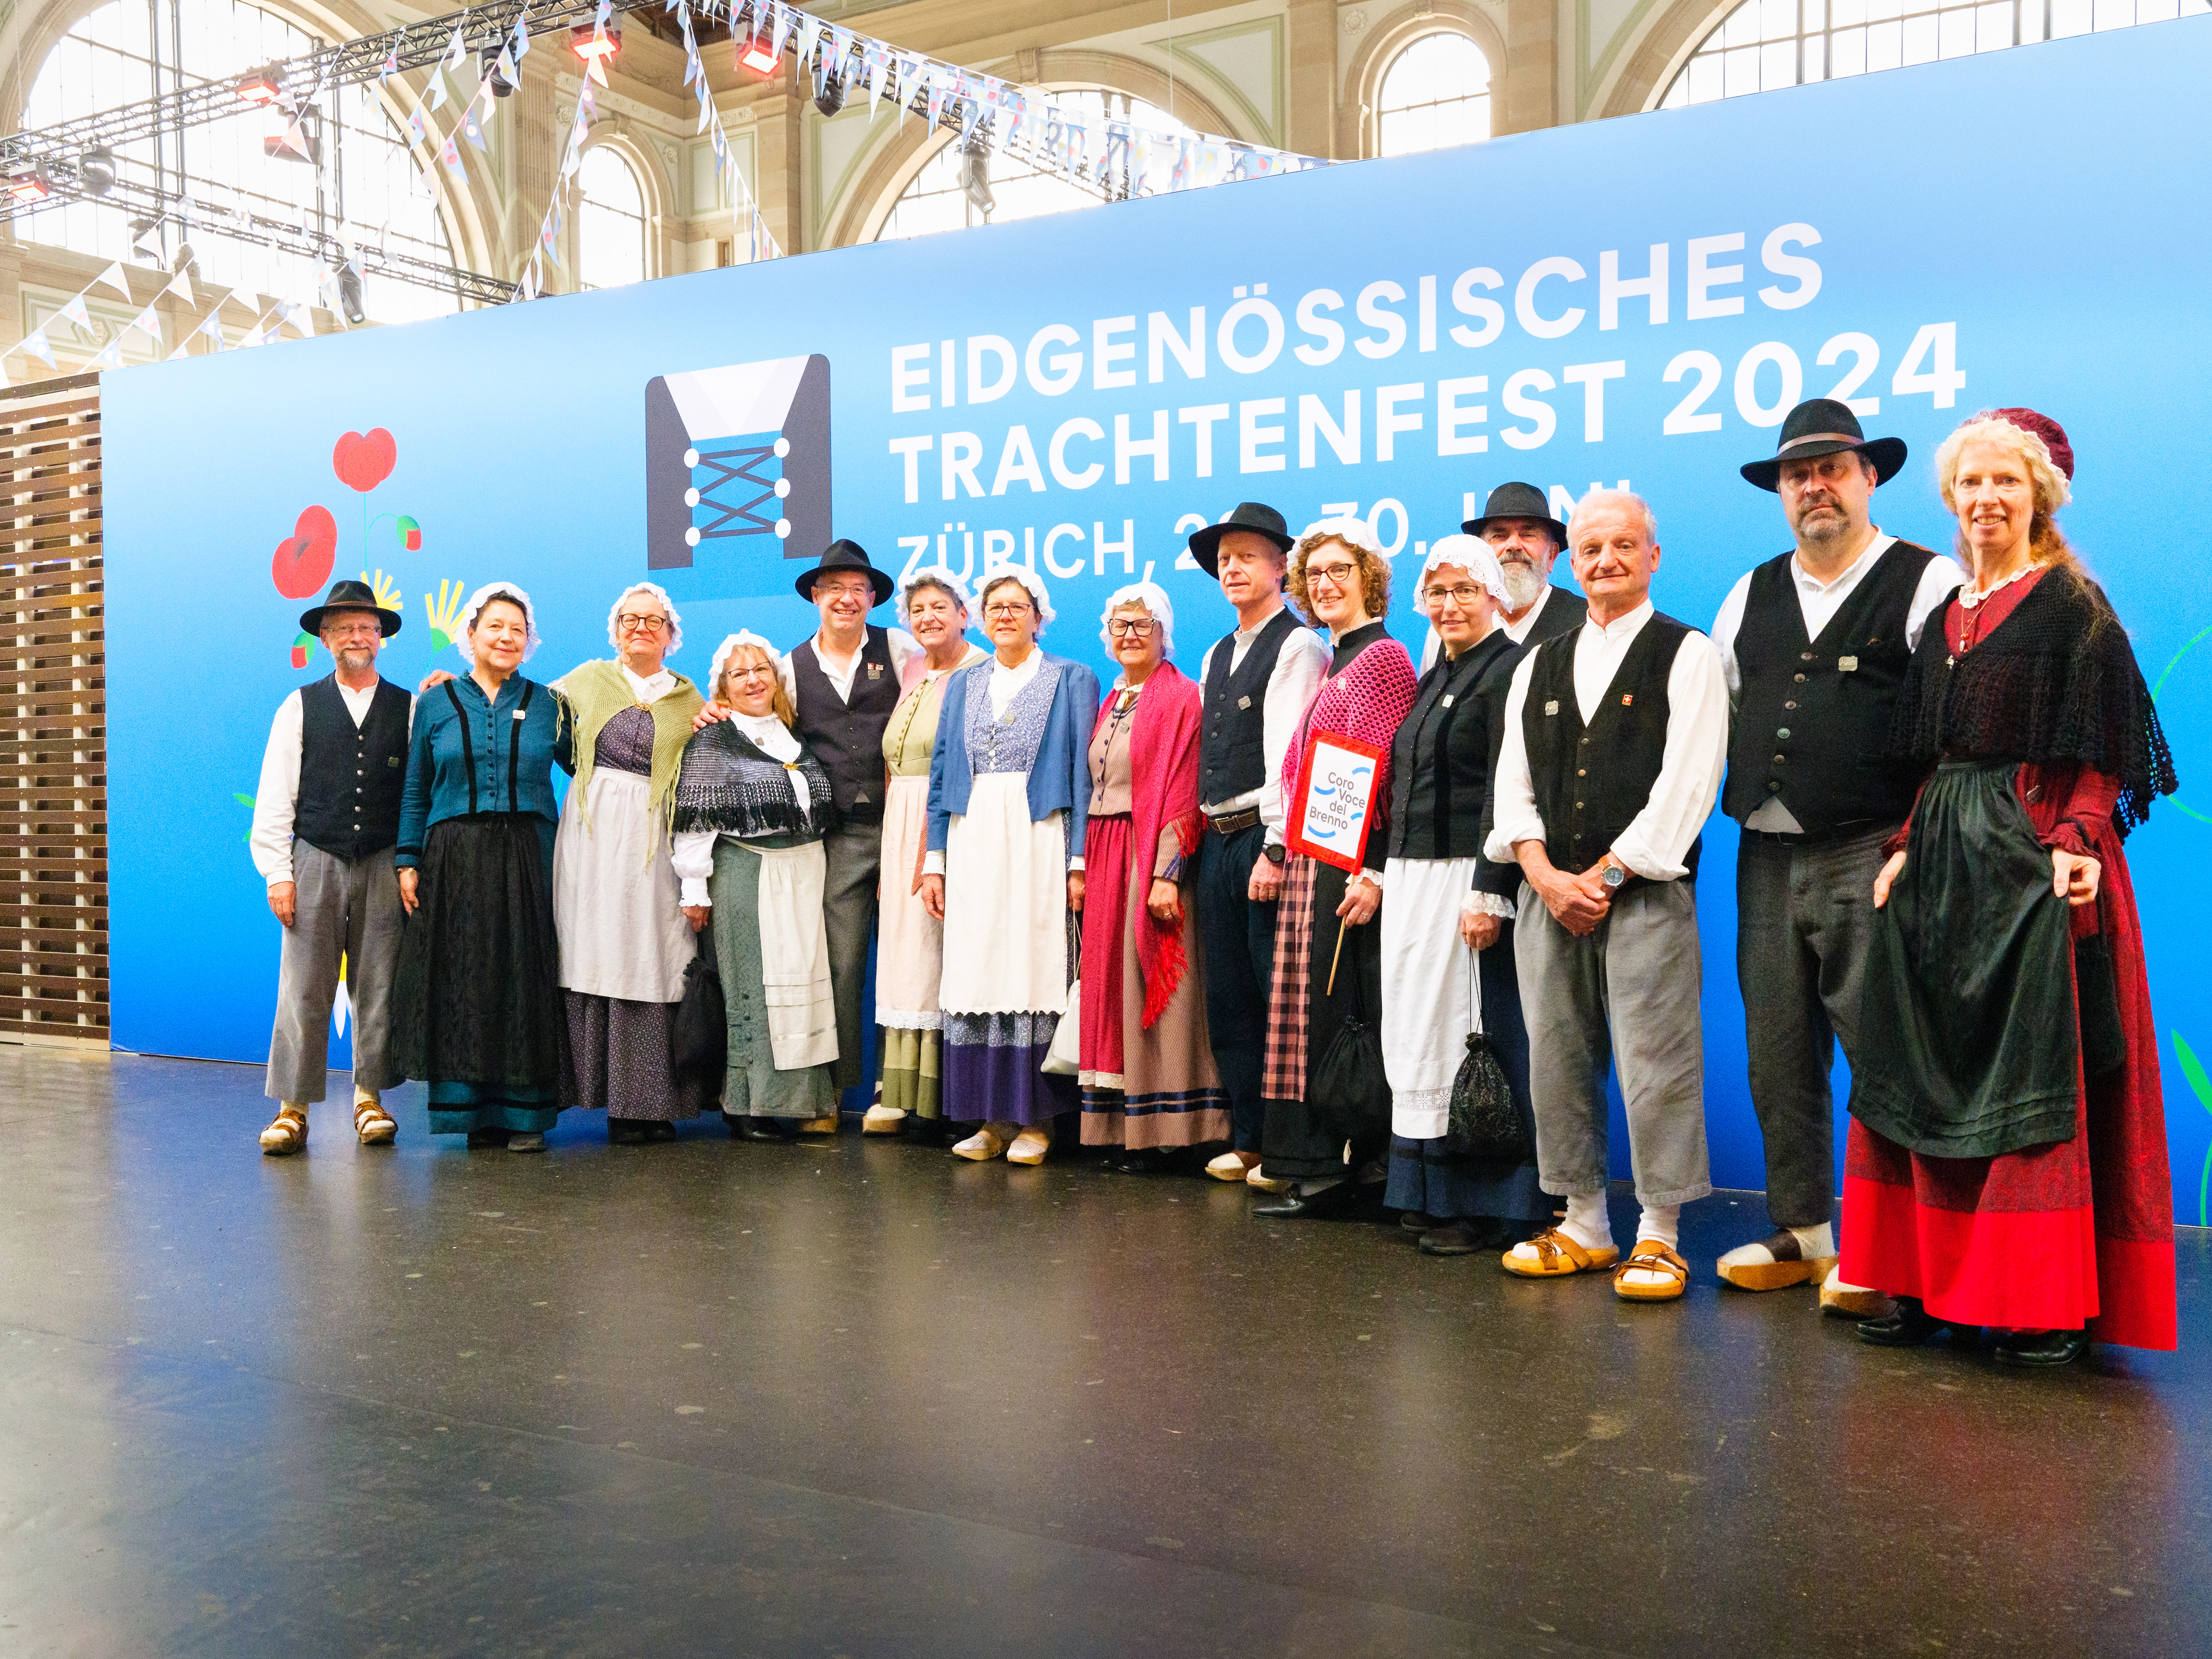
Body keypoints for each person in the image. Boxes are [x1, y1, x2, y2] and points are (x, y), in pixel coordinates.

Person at [1842, 410, 2178, 1366]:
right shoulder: (1948, 616)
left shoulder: (2074, 605)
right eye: (1972, 483)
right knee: (1913, 1073)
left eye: (2007, 483)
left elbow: (2107, 752)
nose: (1987, 498)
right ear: (1952, 498)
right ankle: (1912, 1280)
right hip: (1943, 865)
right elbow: (1936, 759)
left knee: (2028, 1085)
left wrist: (2076, 840)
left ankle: (2035, 1301)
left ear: (2041, 496)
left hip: (2035, 862)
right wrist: (1906, 846)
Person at [1710, 400, 1966, 1309]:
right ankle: (1805, 1233)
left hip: (1873, 850)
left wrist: (1917, 846)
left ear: (1870, 478)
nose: (1814, 486)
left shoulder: (1928, 581)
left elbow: (1952, 733)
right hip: (1765, 854)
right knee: (1776, 1053)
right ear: (1781, 492)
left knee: (1887, 1051)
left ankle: (1899, 1251)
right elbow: (1715, 717)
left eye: (1832, 468)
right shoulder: (1749, 592)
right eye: (1796, 474)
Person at [1487, 492, 1729, 1299]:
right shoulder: (1537, 662)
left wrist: (1606, 877)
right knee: (1556, 1058)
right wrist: (1547, 878)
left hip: (1645, 897)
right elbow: (1512, 790)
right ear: (1573, 560)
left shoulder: (1687, 653)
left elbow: (1687, 787)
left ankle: (1660, 1235)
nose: (1606, 560)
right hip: (1548, 898)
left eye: (1624, 545)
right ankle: (1584, 1223)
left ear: (1653, 557)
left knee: (1658, 1066)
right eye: (1591, 548)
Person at [1379, 537, 1551, 1255]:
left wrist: (1489, 888)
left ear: (1494, 596)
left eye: (1463, 591)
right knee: (1421, 1030)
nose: (1449, 605)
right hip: (1414, 874)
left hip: (1470, 878)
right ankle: (1426, 1189)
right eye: (1438, 592)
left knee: (1473, 1028)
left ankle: (1488, 1202)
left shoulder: (1510, 670)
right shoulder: (1433, 676)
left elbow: (1506, 790)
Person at [1252, 518, 1419, 1220]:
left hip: (1347, 865)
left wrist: (1371, 870)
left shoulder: (1380, 658)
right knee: (1310, 1014)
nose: (1324, 584)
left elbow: (1385, 776)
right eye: (1314, 573)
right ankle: (1313, 1164)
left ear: (1368, 579)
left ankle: (1343, 1167)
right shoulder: (1337, 660)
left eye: (1338, 571)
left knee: (1336, 1014)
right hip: (1316, 853)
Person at [920, 566, 1100, 1165]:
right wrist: (936, 858)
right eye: (995, 605)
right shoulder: (964, 685)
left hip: (1039, 835)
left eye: (1017, 606)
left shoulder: (1071, 678)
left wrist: (1078, 858)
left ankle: (1039, 1121)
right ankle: (991, 1119)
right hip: (975, 840)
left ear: (1037, 616)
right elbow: (943, 774)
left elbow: (1080, 772)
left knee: (1033, 966)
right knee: (980, 969)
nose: (1005, 615)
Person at [386, 585, 569, 1152]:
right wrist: (408, 859)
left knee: (524, 975)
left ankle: (524, 1116)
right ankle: (471, 1113)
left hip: (528, 852)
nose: (507, 637)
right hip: (454, 855)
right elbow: (416, 787)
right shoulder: (435, 703)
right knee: (464, 978)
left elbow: (596, 768)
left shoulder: (551, 704)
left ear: (529, 641)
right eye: (495, 626)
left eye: (518, 629)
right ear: (471, 635)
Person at [1185, 502, 1328, 1192]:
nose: (1233, 568)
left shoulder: (1298, 645)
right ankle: (1247, 1136)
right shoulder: (1217, 652)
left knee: (1279, 997)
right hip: (1216, 838)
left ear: (1281, 568)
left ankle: (1289, 1145)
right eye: (1224, 560)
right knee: (1230, 997)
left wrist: (1276, 847)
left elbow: (1290, 758)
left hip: (1263, 842)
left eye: (1247, 555)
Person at [248, 578, 412, 1155]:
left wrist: (409, 864)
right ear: (325, 638)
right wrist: (278, 872)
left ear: (381, 638)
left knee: (380, 984)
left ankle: (370, 1099)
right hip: (314, 856)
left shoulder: (408, 707)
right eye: (344, 627)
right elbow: (275, 797)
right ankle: (292, 1108)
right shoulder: (299, 706)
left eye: (367, 627)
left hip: (385, 861)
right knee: (304, 987)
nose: (357, 636)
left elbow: (415, 796)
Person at [1078, 582, 1230, 1169]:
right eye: (1120, 625)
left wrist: (1167, 871)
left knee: (1159, 989)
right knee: (1113, 987)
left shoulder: (1182, 698)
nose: (1130, 635)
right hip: (1108, 848)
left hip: (1153, 853)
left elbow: (1186, 788)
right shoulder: (1111, 699)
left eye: (1143, 625)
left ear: (1164, 634)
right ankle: (1122, 1129)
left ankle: (1174, 1129)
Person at [550, 584, 708, 1143]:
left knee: (652, 955)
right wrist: (457, 684)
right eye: (630, 619)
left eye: (653, 620)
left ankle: (646, 1104)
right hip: (592, 839)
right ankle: (600, 1095)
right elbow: (513, 704)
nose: (641, 627)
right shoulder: (582, 684)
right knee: (597, 950)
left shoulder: (693, 703)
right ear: (615, 630)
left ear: (671, 635)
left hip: (658, 840)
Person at [671, 633, 841, 1137]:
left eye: (760, 669)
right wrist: (695, 889)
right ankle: (746, 1105)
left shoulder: (791, 734)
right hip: (747, 870)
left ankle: (800, 1100)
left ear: (776, 677)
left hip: (804, 872)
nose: (752, 680)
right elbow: (696, 820)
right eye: (739, 673)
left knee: (801, 986)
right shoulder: (714, 738)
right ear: (723, 686)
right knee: (753, 989)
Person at [781, 540, 920, 1134]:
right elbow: (761, 725)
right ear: (816, 595)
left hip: (903, 826)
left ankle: (903, 1090)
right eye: (833, 587)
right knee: (841, 966)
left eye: (857, 588)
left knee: (913, 960)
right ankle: (833, 1094)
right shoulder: (788, 666)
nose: (845, 598)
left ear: (872, 598)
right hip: (836, 836)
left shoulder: (902, 649)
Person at [868, 568, 986, 1141]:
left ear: (965, 615)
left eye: (941, 607)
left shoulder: (982, 671)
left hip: (947, 826)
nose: (929, 618)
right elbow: (894, 765)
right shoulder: (912, 667)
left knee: (938, 954)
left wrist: (930, 849)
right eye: (918, 611)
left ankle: (944, 1096)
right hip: (899, 821)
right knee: (904, 957)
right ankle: (899, 1090)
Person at [1417, 482, 1589, 671]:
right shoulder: (1449, 625)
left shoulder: (1587, 622)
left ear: (1552, 555)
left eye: (1528, 535)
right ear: (1480, 555)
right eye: (1499, 536)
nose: (1514, 545)